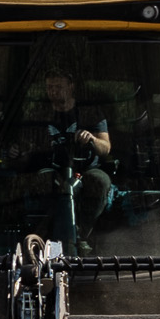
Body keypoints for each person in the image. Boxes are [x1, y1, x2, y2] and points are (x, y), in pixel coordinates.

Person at [24, 68, 120, 241]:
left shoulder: (90, 112)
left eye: (58, 86)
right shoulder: (39, 114)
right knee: (40, 183)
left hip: (86, 171)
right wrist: (18, 151)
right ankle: (42, 237)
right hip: (51, 171)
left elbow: (105, 148)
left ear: (71, 86)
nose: (53, 91)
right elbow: (27, 146)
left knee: (100, 181)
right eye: (49, 87)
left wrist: (91, 139)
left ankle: (80, 235)